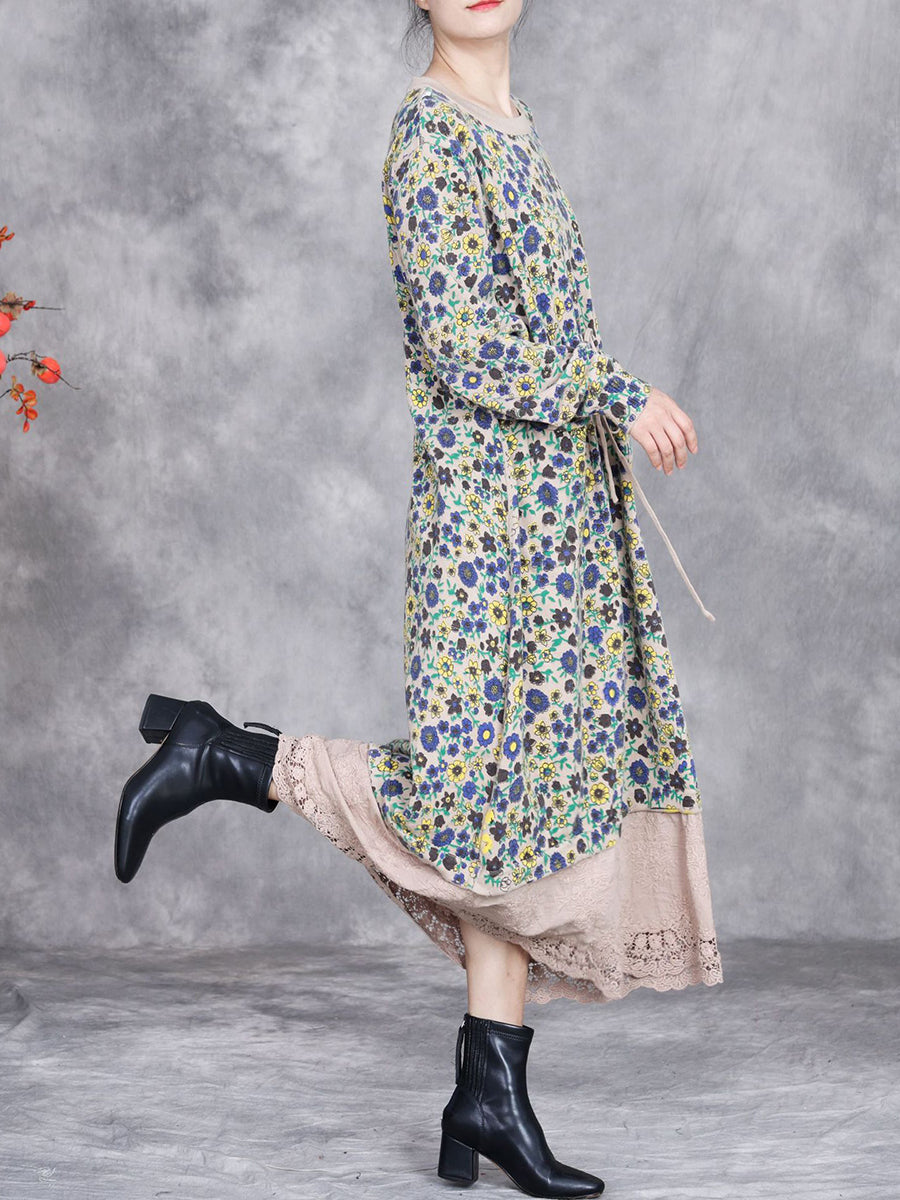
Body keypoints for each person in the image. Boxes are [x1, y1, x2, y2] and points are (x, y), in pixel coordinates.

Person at [114, 2, 724, 1196]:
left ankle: (488, 1096)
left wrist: (594, 427)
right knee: (471, 798)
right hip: (493, 532)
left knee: (513, 809)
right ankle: (228, 756)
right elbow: (461, 341)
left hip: (558, 521)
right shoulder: (430, 132)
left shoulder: (512, 124)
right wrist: (617, 388)